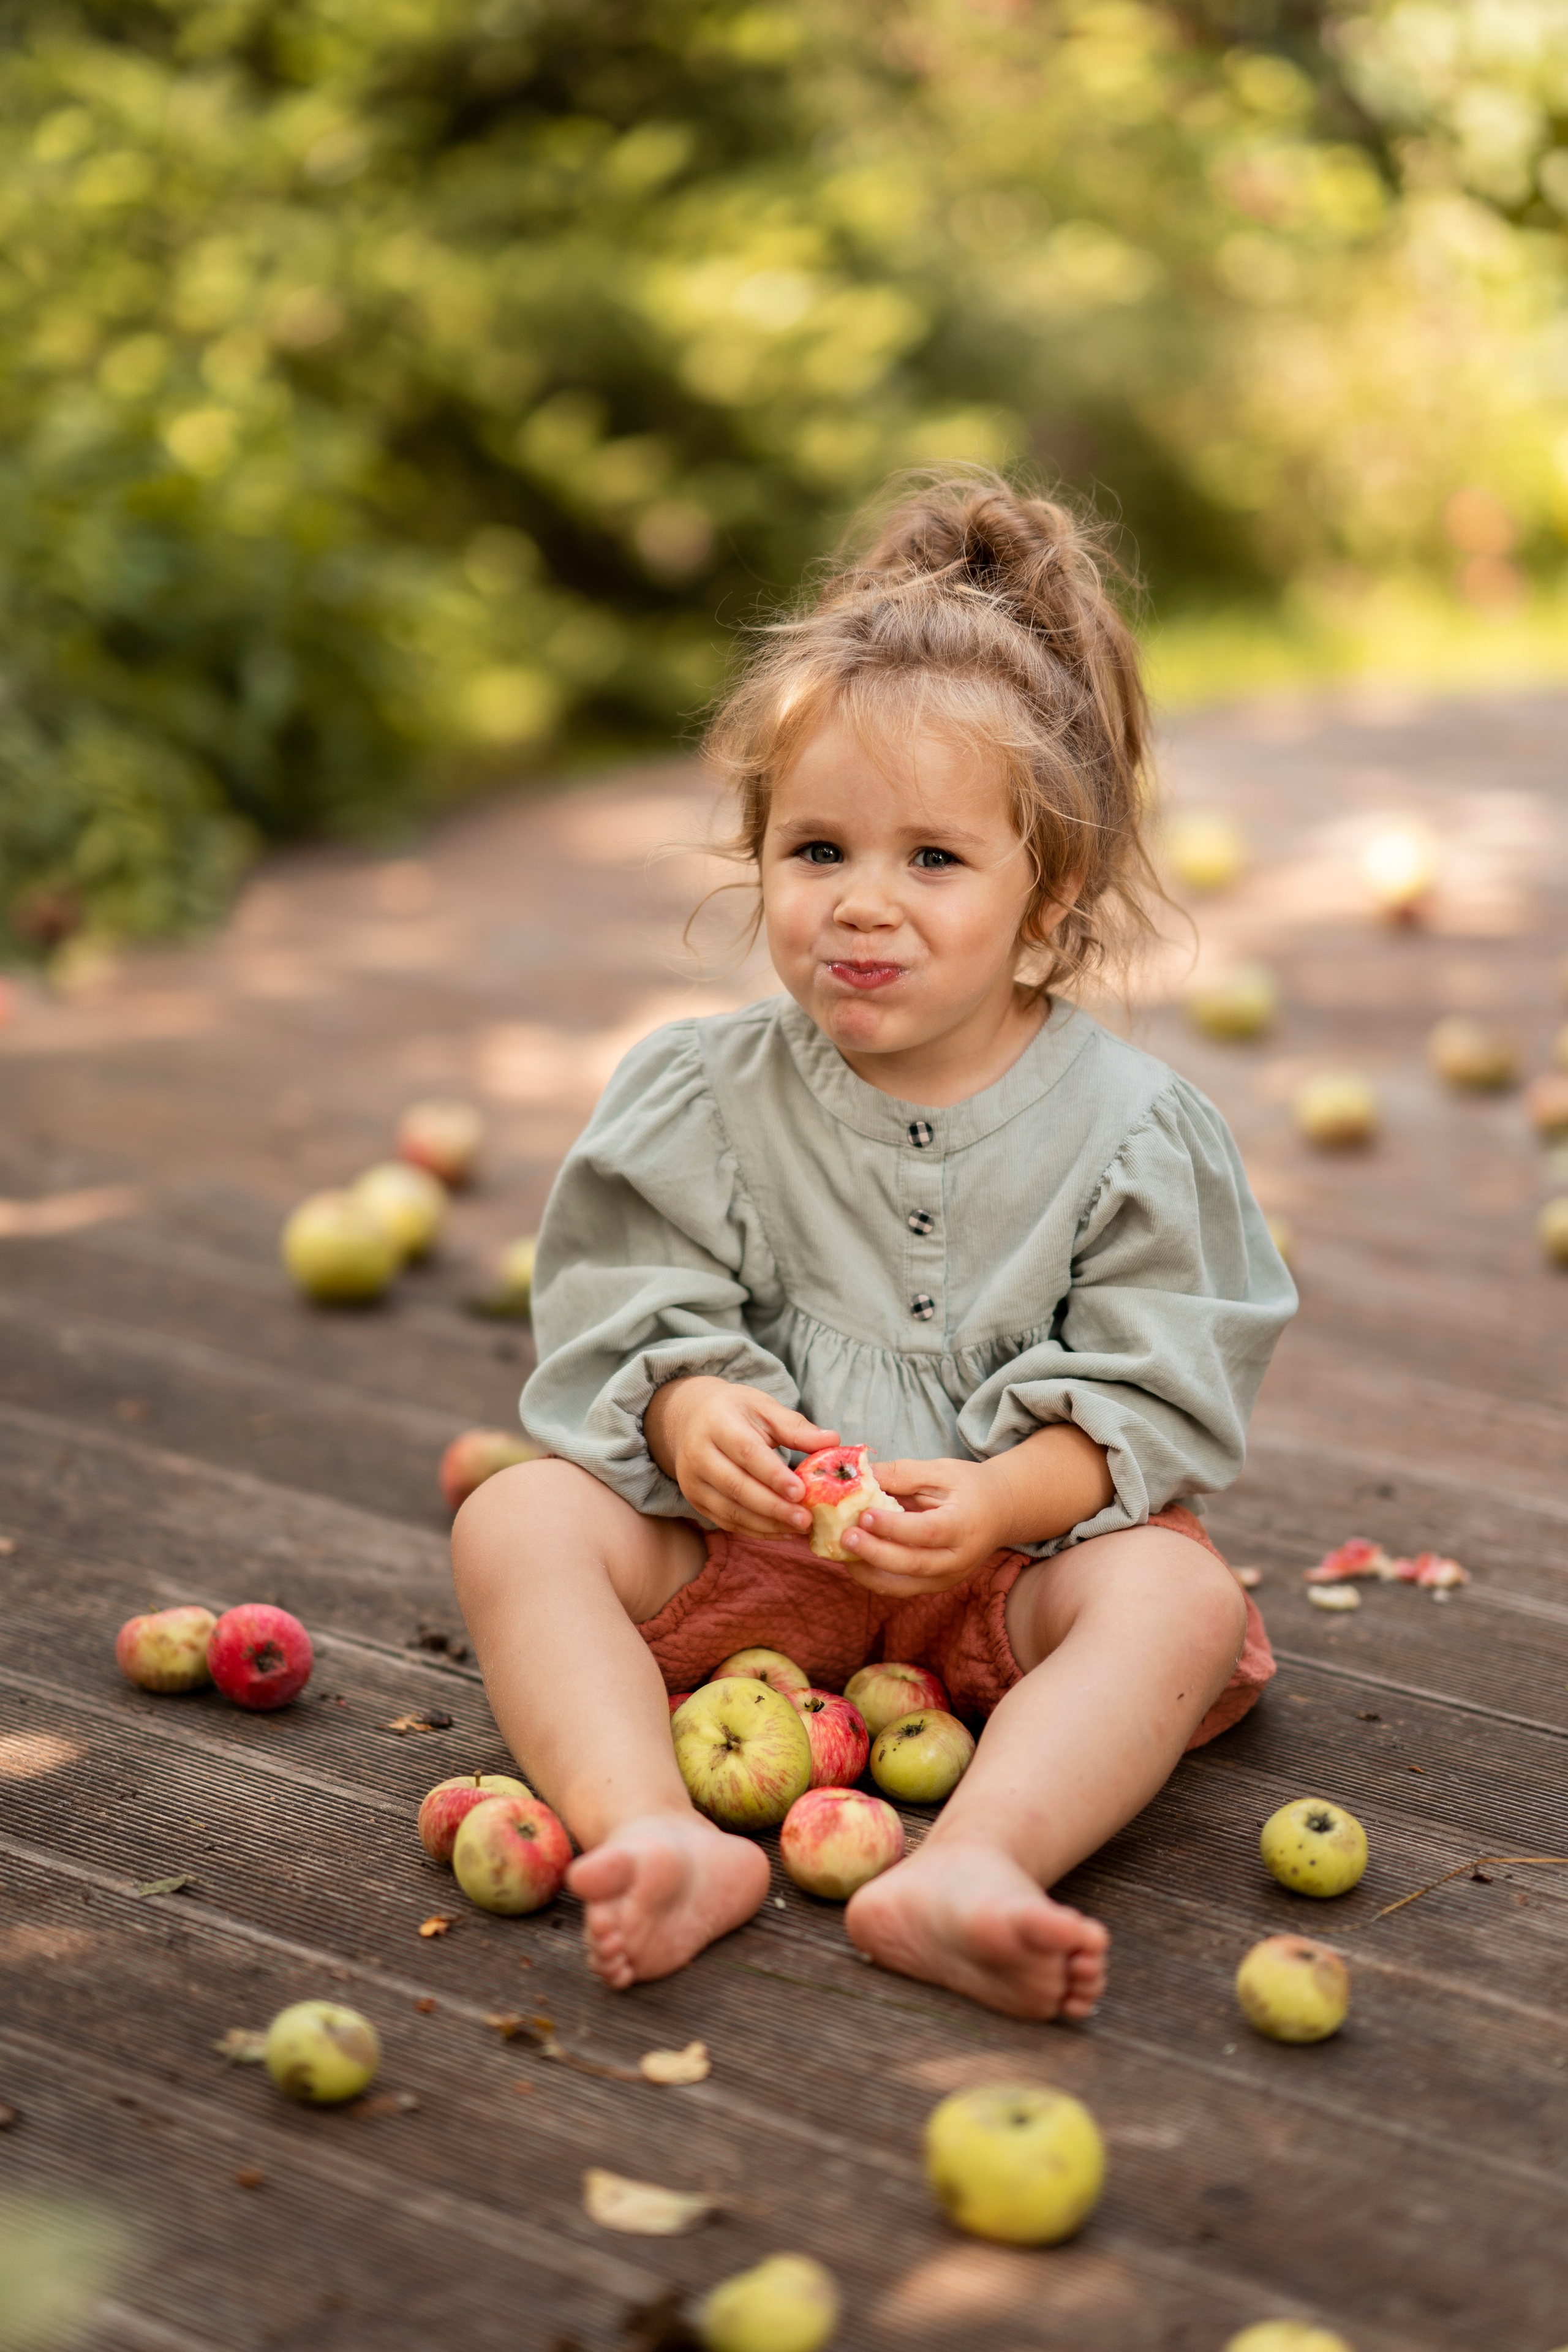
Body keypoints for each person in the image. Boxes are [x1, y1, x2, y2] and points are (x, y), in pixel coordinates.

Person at [452, 471, 1295, 2021]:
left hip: (1005, 1577)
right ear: (758, 857)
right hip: (753, 1560)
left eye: (931, 860)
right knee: (518, 1525)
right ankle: (652, 1831)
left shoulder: (1128, 1130)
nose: (860, 906)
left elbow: (1152, 1389)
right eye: (817, 849)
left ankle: (972, 1863)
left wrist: (995, 1501)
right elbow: (635, 1301)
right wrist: (691, 1412)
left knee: (1169, 1604)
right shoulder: (697, 1096)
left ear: (1046, 901)